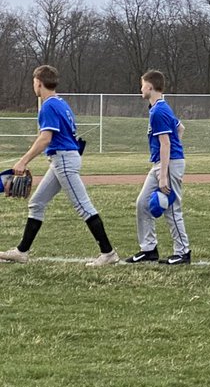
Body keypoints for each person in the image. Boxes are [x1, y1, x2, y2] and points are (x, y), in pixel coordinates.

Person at [0, 64, 118, 266]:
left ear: (38, 83)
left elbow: (45, 138)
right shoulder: (61, 103)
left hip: (63, 159)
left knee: (83, 206)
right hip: (62, 158)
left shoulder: (48, 105)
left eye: (34, 82)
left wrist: (23, 160)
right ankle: (22, 251)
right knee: (36, 203)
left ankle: (108, 253)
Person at [127, 69, 190, 265]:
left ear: (149, 86)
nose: (141, 88)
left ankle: (183, 252)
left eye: (142, 84)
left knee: (171, 208)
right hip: (162, 163)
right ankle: (149, 249)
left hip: (168, 164)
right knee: (142, 203)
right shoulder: (159, 108)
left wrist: (164, 175)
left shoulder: (159, 111)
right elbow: (180, 128)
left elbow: (165, 144)